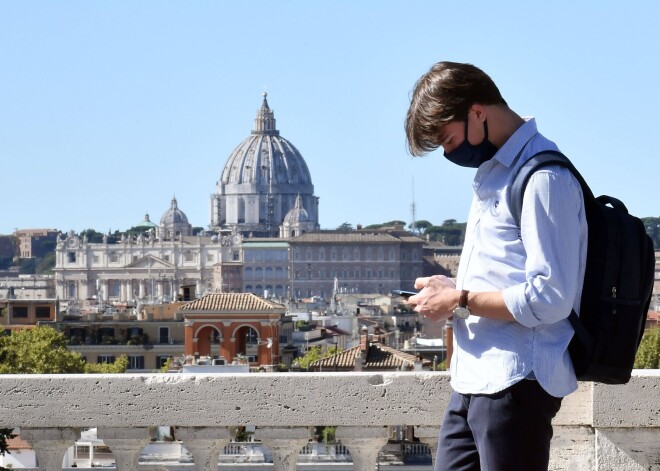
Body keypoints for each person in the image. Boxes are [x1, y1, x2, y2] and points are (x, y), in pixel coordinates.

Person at [404, 61, 587, 471]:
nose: (450, 154)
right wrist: (453, 287)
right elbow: (507, 273)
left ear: (477, 112)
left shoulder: (543, 178)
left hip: (515, 381)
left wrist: (462, 298)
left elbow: (551, 297)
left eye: (448, 140)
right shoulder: (498, 175)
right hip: (473, 378)